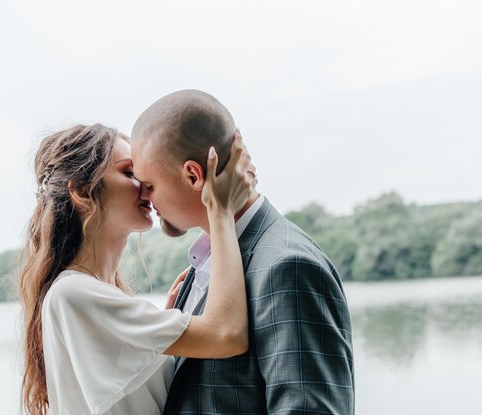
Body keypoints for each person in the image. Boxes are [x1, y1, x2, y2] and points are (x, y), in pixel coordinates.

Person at [130, 89, 355, 414]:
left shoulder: (287, 267)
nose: (147, 199)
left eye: (149, 185)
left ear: (193, 175)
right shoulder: (203, 264)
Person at [18, 123, 257, 415]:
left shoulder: (98, 295)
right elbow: (226, 335)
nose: (145, 184)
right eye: (130, 173)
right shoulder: (73, 294)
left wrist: (163, 327)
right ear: (82, 192)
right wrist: (220, 212)